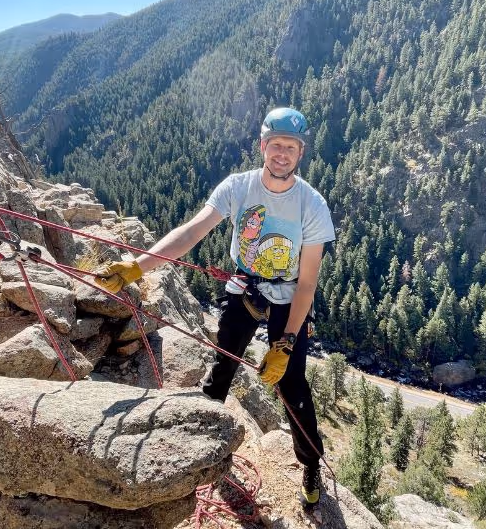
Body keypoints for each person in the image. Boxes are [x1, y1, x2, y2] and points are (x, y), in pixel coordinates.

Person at [92, 107, 335, 505]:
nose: (282, 155)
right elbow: (191, 232)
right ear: (263, 146)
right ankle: (198, 445)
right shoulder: (238, 187)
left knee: (292, 384)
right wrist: (138, 265)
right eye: (276, 145)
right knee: (224, 365)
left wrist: (287, 341)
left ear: (300, 153)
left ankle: (310, 462)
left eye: (290, 148)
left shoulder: (312, 205)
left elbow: (307, 284)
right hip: (244, 286)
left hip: (290, 295)